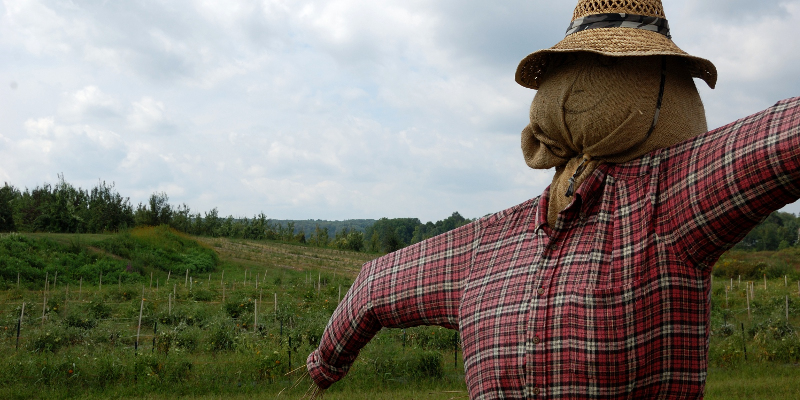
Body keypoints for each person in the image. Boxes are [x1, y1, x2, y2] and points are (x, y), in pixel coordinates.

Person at [306, 0, 800, 398]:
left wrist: (326, 365)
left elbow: (778, 141)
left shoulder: (668, 199)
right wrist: (325, 363)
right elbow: (375, 285)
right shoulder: (490, 243)